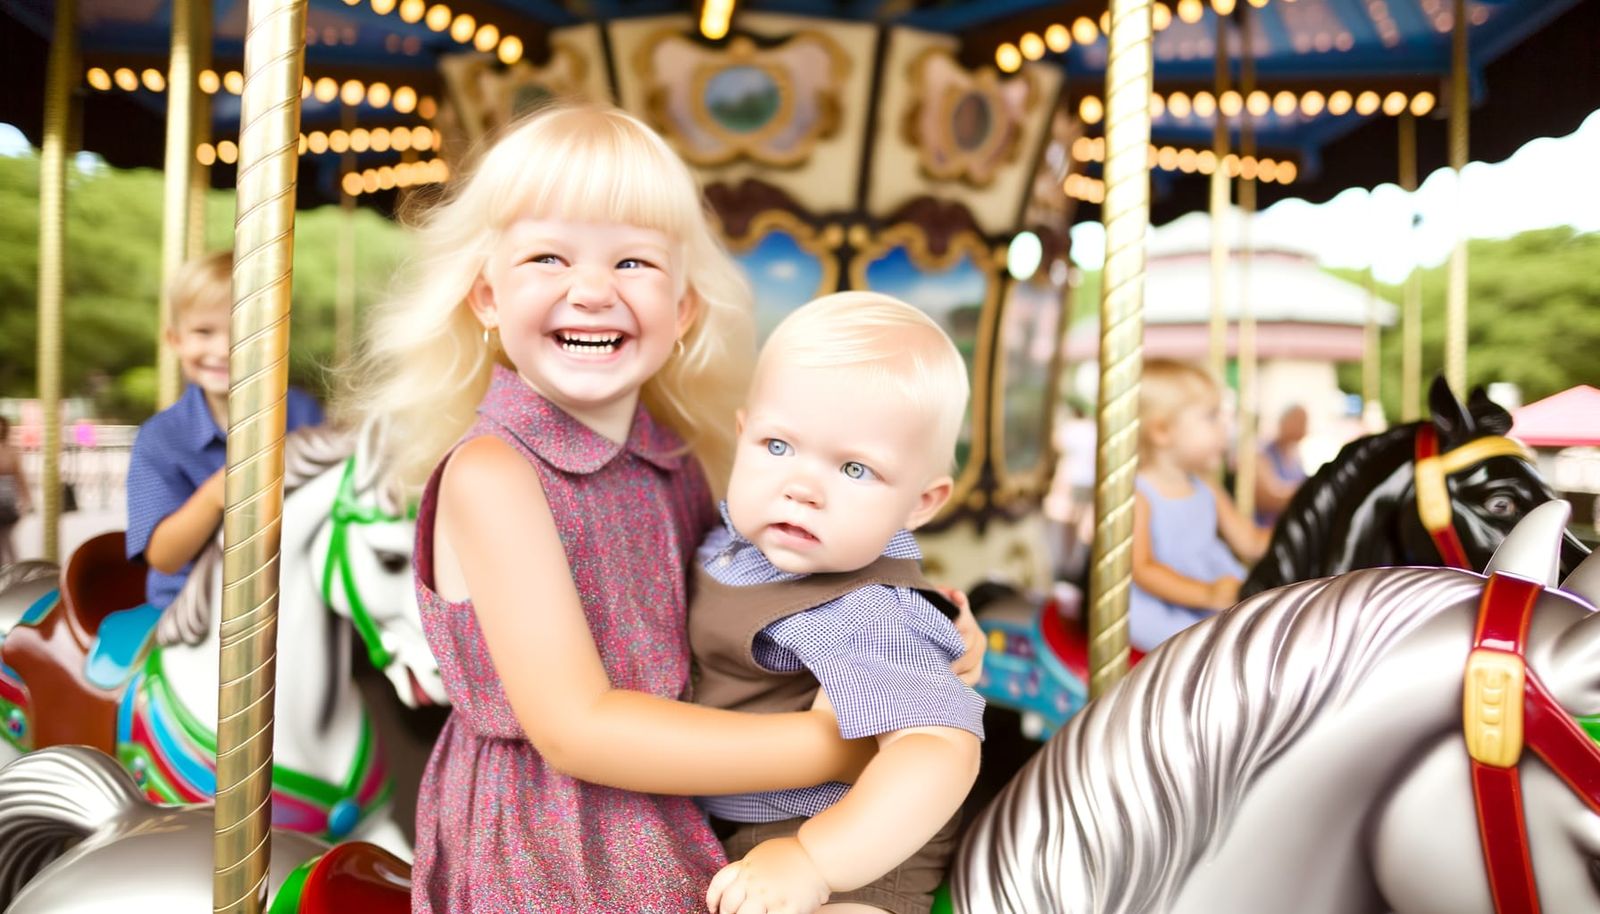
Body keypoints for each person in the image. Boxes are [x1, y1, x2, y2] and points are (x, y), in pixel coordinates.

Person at [340, 103, 982, 912]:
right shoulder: (494, 474)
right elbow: (576, 729)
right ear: (487, 295)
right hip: (553, 837)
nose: (591, 290)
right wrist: (837, 741)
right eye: (547, 256)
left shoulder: (672, 458)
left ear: (681, 309)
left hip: (686, 811)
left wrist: (923, 635)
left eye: (633, 262)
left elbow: (765, 595)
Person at [693, 293, 983, 914]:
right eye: (777, 446)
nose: (801, 487)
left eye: (854, 469)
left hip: (854, 847)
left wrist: (815, 860)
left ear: (921, 503)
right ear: (742, 436)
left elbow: (939, 748)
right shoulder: (733, 543)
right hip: (741, 829)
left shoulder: (869, 611)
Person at [124, 251, 324, 607]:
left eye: (245, 329)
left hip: (290, 597)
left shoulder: (303, 415)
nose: (223, 349)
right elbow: (164, 558)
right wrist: (219, 492)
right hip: (188, 607)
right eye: (204, 332)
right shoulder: (162, 438)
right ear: (175, 339)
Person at [1129, 360, 1268, 652]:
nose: (1225, 427)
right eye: (1212, 416)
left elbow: (1250, 542)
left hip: (1216, 597)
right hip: (1163, 609)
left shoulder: (1206, 488)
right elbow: (1142, 568)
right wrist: (1207, 594)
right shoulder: (1139, 494)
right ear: (1162, 431)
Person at [1254, 403, 1308, 528]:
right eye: (1298, 421)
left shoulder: (1297, 458)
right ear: (1284, 422)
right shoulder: (1263, 454)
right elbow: (1268, 498)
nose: (1303, 426)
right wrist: (1308, 492)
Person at [0, 416, 31, 565]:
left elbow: (20, 476)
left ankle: (12, 567)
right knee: (5, 540)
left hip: (7, 500)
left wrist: (25, 500)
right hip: (7, 498)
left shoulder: (11, 451)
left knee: (6, 537)